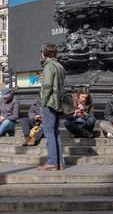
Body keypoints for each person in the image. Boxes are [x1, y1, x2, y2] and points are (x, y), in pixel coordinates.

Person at [39, 43, 66, 171]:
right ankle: (60, 162)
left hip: (49, 103)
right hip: (58, 103)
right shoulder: (60, 66)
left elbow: (47, 86)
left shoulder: (49, 66)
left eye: (41, 52)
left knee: (49, 133)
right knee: (56, 133)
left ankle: (52, 162)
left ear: (45, 53)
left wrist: (43, 102)